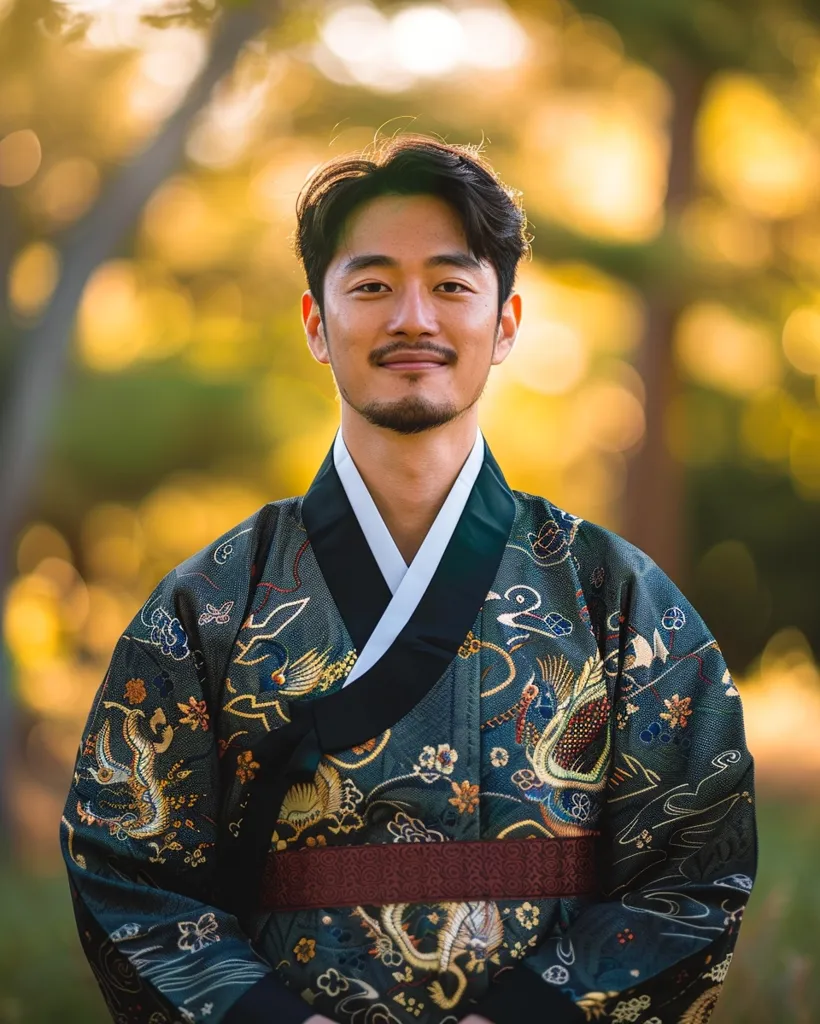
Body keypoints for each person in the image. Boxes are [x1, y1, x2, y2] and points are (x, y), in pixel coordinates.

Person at [61, 136, 757, 1024]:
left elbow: (695, 874)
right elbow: (125, 870)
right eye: (372, 286)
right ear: (317, 324)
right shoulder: (211, 606)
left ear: (506, 324)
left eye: (452, 285)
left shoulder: (614, 598)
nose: (414, 320)